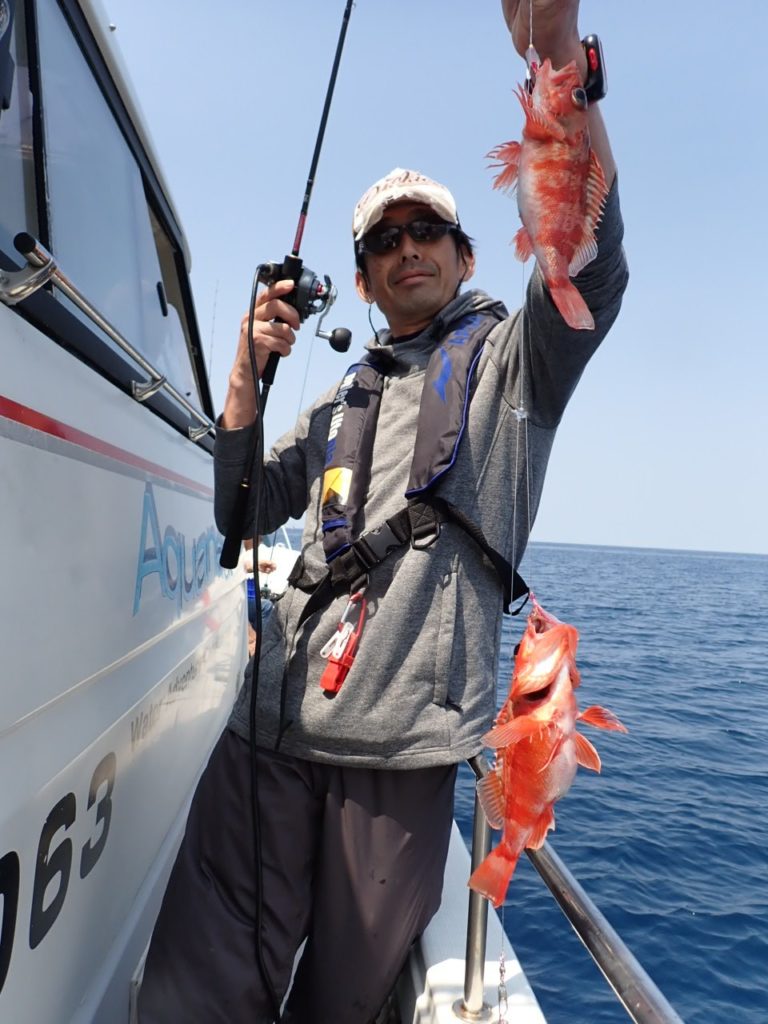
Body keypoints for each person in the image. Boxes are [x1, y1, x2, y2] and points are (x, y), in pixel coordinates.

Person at [138, 2, 628, 1021]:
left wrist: (558, 64)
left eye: (428, 231)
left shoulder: (515, 365)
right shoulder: (336, 403)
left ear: (467, 255)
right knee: (195, 993)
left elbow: (590, 260)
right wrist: (248, 368)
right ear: (362, 279)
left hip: (397, 762)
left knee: (342, 1006)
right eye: (384, 240)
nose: (408, 248)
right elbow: (238, 508)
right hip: (267, 738)